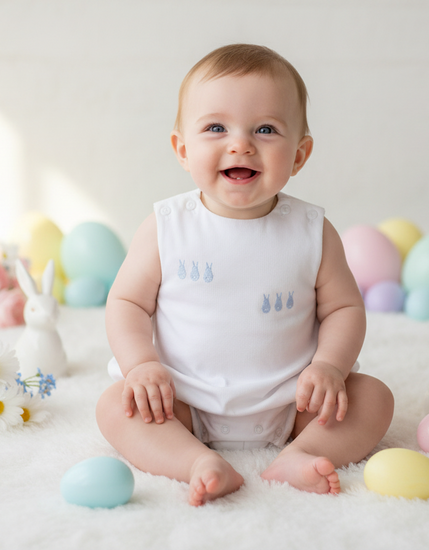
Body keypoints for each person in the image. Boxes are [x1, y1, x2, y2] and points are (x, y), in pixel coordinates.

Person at [96, 44, 394, 507]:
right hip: (183, 399)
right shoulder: (166, 226)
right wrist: (142, 365)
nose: (240, 143)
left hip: (293, 401)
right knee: (116, 408)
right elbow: (127, 304)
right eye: (216, 127)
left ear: (299, 155)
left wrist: (329, 367)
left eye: (266, 129)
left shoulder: (312, 231)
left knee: (373, 399)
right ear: (182, 148)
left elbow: (344, 308)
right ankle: (194, 460)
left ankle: (304, 452)